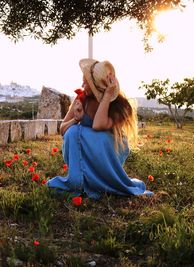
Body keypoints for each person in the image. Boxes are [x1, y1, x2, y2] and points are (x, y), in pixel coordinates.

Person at [47, 58, 153, 199]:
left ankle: (105, 182)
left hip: (108, 152)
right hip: (86, 150)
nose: (82, 85)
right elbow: (63, 129)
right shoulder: (82, 99)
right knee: (72, 131)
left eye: (86, 82)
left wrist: (107, 96)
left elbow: (98, 125)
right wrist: (76, 119)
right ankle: (79, 181)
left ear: (97, 85)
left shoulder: (121, 106)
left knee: (102, 137)